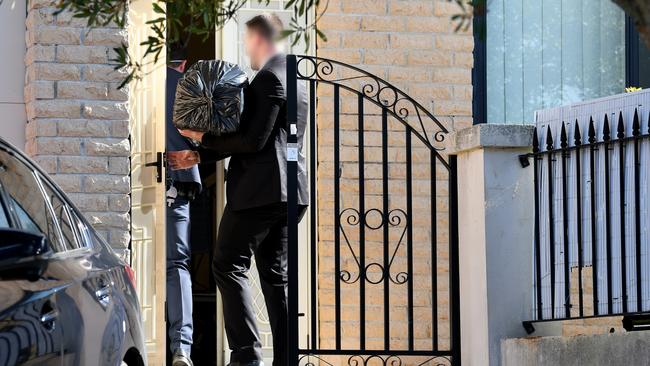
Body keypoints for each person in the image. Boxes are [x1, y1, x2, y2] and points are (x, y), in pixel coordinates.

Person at [167, 13, 308, 366]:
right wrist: (201, 154)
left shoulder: (268, 80)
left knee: (227, 265)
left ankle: (246, 356)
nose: (246, 50)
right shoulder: (298, 79)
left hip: (260, 193)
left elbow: (252, 141)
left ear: (260, 39)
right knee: (277, 278)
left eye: (247, 42)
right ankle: (287, 359)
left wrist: (202, 139)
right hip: (291, 191)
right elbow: (268, 139)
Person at [165, 43, 200, 366]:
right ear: (184, 62)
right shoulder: (188, 87)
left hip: (139, 183)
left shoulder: (140, 84)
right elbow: (202, 137)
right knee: (177, 264)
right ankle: (181, 347)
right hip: (177, 185)